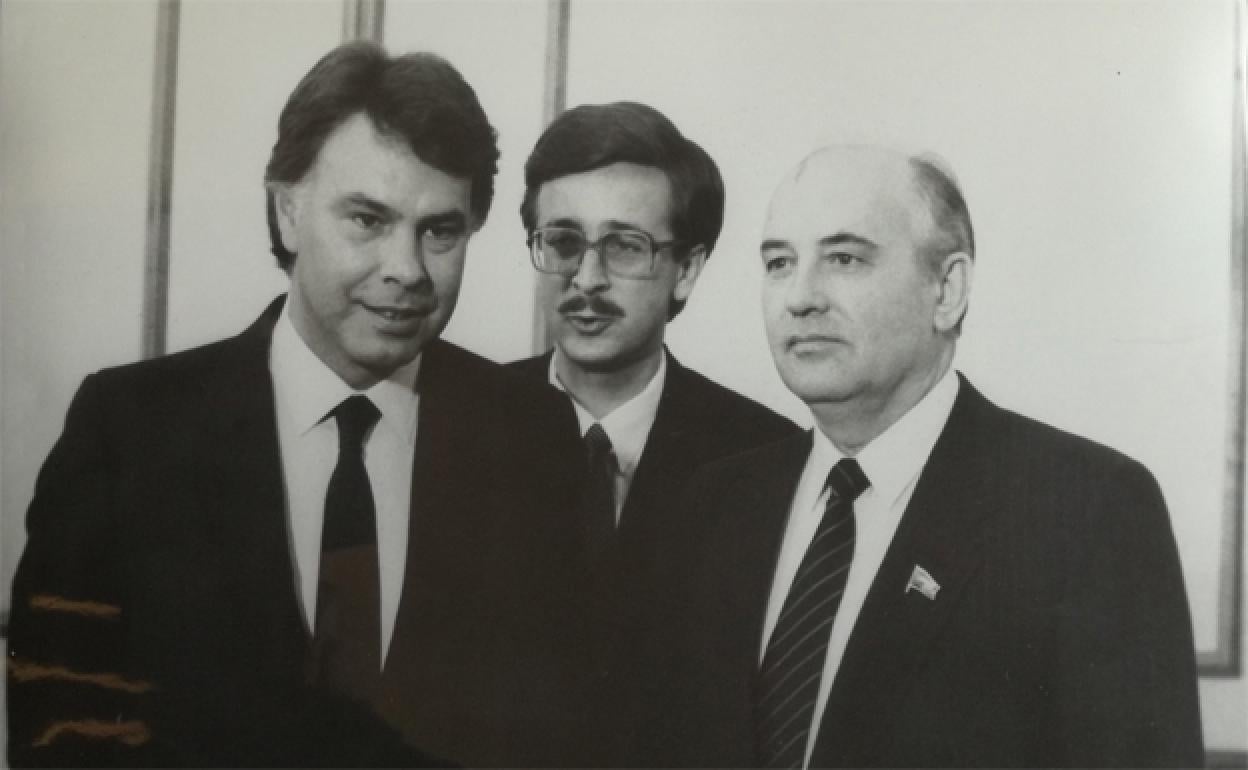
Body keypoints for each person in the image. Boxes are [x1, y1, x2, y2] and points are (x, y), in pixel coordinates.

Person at [6, 41, 585, 768]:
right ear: (287, 212)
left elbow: (563, 735)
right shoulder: (128, 430)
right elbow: (58, 731)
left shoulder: (530, 434)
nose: (406, 270)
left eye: (439, 231)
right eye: (367, 220)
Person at [642, 145, 1203, 768]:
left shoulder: (1081, 509)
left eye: (844, 258)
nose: (799, 297)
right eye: (779, 262)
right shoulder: (715, 503)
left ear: (947, 289)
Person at [509, 101, 799, 763]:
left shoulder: (768, 457)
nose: (586, 280)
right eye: (562, 242)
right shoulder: (457, 421)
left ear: (688, 268)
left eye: (624, 246)